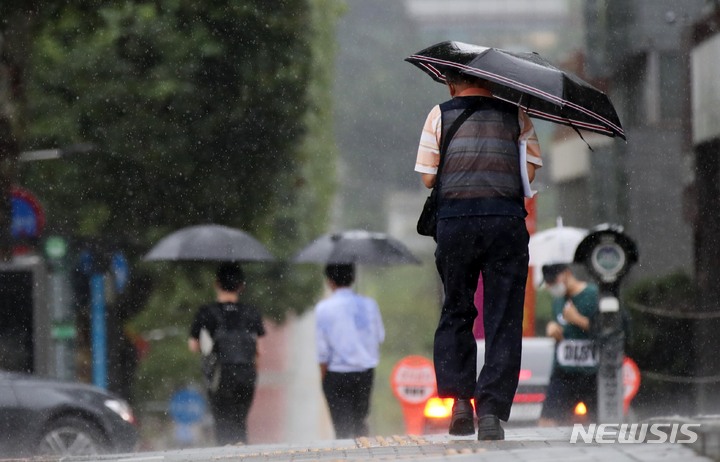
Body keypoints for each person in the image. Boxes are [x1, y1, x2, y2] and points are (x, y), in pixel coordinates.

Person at [414, 69, 543, 440]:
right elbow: (530, 173)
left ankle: (459, 404)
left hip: (456, 224)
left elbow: (427, 177)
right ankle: (490, 412)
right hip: (505, 223)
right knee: (502, 317)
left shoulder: (440, 114)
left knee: (457, 309)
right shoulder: (516, 114)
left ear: (451, 84)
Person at [188, 262, 265, 445]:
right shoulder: (251, 313)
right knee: (240, 422)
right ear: (241, 286)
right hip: (246, 374)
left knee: (223, 424)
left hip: (220, 376)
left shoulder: (206, 313)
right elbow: (260, 351)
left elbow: (193, 346)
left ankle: (226, 455)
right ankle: (243, 454)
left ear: (216, 284)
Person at [314, 263, 385, 439]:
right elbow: (379, 336)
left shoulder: (324, 309)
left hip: (336, 374)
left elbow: (322, 351)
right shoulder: (369, 305)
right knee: (360, 420)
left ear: (330, 281)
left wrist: (324, 378)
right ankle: (364, 452)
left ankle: (345, 455)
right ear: (353, 278)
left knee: (342, 427)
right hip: (365, 373)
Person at [538, 263, 599, 426]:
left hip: (591, 372)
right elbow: (560, 324)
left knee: (596, 421)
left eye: (554, 281)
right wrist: (552, 328)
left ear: (566, 273)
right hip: (563, 372)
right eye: (548, 284)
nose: (552, 286)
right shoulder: (558, 301)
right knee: (547, 421)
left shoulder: (593, 295)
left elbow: (607, 330)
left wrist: (577, 319)